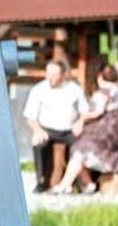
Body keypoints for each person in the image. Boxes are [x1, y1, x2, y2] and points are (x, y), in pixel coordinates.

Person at [53, 65, 118, 196]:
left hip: (105, 135)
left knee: (79, 148)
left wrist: (82, 119)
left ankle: (65, 184)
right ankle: (87, 183)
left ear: (100, 77)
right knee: (79, 147)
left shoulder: (103, 93)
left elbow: (97, 112)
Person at [22, 59, 81, 193]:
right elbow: (30, 117)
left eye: (55, 74)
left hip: (69, 130)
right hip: (46, 130)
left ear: (62, 75)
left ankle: (77, 182)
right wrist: (37, 130)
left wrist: (81, 121)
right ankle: (42, 181)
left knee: (83, 145)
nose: (51, 78)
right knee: (38, 143)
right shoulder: (38, 90)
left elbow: (84, 110)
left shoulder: (74, 89)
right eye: (49, 74)